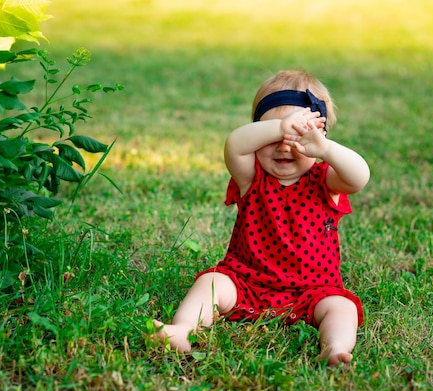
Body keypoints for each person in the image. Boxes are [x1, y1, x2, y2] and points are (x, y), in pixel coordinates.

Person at [153, 69, 370, 366]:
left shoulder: (326, 181)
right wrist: (282, 126)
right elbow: (234, 143)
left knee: (341, 306)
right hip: (245, 282)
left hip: (312, 290)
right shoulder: (252, 177)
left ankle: (334, 347)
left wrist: (326, 150)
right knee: (212, 282)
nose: (284, 145)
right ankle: (183, 330)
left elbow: (359, 177)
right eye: (275, 134)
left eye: (297, 138)